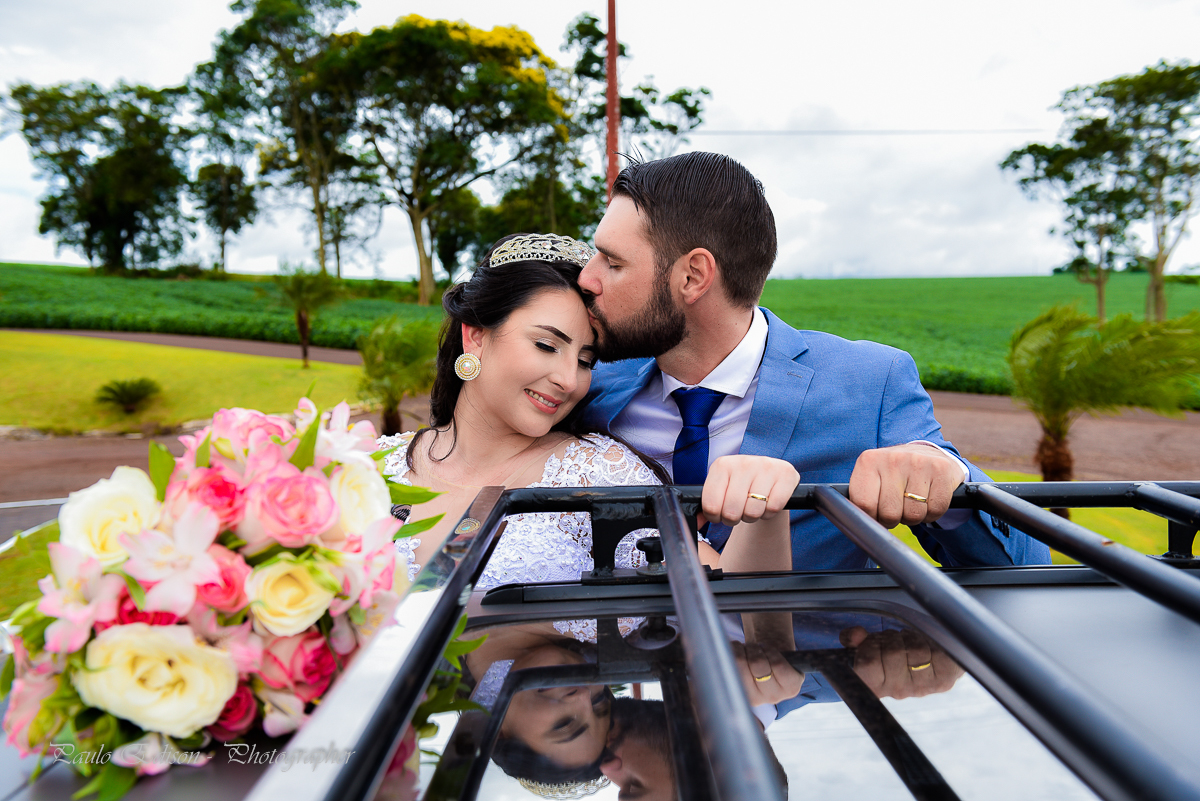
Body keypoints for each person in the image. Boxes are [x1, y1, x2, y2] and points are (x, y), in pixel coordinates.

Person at [578, 152, 1051, 570]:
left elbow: (1027, 563)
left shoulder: (871, 384)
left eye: (612, 262)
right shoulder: (585, 382)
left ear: (693, 276)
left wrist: (951, 481)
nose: (586, 278)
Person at [379, 231, 800, 589]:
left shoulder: (598, 474)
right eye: (546, 345)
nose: (569, 380)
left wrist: (765, 504)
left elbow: (733, 606)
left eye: (585, 360)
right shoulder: (367, 466)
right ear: (475, 337)